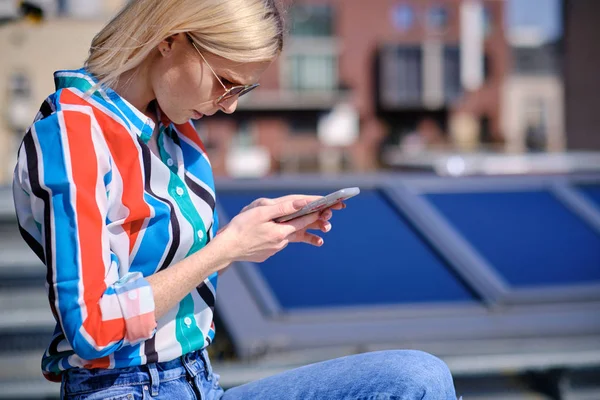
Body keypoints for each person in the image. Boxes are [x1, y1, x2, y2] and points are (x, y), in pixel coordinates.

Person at [12, 0, 459, 398]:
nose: (229, 107)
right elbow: (91, 325)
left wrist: (242, 237)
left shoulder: (177, 136)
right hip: (123, 389)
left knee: (417, 376)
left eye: (242, 90)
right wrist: (226, 248)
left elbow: (169, 272)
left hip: (201, 380)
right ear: (171, 40)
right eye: (225, 81)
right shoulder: (75, 133)